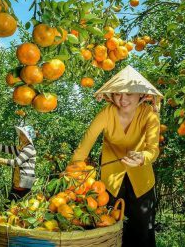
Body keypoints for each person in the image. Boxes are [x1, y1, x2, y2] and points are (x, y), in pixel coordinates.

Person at [70, 65, 163, 247]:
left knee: (142, 230)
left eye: (129, 93)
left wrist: (143, 157)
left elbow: (153, 148)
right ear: (111, 95)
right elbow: (85, 145)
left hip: (141, 179)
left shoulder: (149, 115)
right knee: (110, 228)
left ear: (141, 95)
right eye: (118, 93)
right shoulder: (106, 113)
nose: (123, 99)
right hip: (111, 179)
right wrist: (73, 171)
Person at [0, 126, 37, 202]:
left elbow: (16, 162)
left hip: (25, 181)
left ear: (28, 138)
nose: (20, 136)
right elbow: (7, 148)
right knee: (15, 205)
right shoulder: (22, 147)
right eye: (21, 134)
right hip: (20, 181)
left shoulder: (29, 148)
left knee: (11, 204)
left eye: (23, 135)